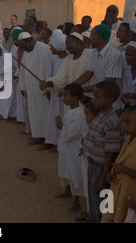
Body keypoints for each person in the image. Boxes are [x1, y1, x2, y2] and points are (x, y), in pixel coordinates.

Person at [101, 105, 136, 223]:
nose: (123, 125)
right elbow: (120, 165)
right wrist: (112, 174)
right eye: (123, 121)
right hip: (119, 192)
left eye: (128, 122)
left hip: (132, 195)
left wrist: (124, 170)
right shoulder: (127, 142)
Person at [81, 80, 123, 223]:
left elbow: (111, 152)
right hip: (93, 167)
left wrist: (103, 179)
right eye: (94, 96)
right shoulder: (100, 115)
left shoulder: (111, 121)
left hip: (101, 170)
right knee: (94, 202)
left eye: (98, 97)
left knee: (102, 205)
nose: (94, 100)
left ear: (110, 100)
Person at [73, 24, 124, 112]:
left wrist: (81, 90)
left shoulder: (114, 55)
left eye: (92, 35)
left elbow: (108, 83)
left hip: (112, 104)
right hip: (100, 102)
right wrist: (73, 86)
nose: (89, 38)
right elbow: (88, 74)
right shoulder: (94, 52)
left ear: (99, 36)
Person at [54, 83, 87, 213]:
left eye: (66, 96)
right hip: (65, 148)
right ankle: (67, 190)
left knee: (74, 172)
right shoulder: (70, 111)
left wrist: (59, 125)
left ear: (75, 98)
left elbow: (71, 133)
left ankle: (76, 200)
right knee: (65, 169)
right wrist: (61, 125)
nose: (64, 98)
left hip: (73, 149)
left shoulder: (79, 114)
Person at [18, 32, 53, 146]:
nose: (23, 49)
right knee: (34, 112)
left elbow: (48, 68)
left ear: (29, 41)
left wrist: (47, 87)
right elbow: (23, 71)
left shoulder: (43, 48)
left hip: (42, 88)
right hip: (31, 89)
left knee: (44, 112)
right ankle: (37, 134)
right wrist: (23, 86)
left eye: (23, 46)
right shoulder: (26, 50)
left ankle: (46, 138)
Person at [42, 30, 67, 151]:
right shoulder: (55, 59)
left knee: (62, 116)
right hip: (54, 92)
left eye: (52, 46)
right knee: (53, 116)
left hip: (64, 94)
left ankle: (60, 143)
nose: (50, 48)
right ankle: (52, 141)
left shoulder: (68, 60)